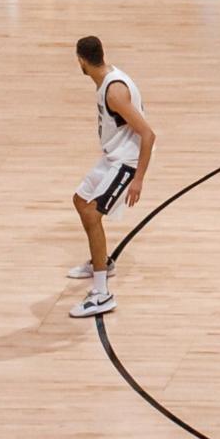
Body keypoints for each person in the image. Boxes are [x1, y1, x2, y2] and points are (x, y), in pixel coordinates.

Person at [62, 35, 159, 320]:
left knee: (92, 215)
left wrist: (138, 179)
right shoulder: (108, 78)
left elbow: (148, 134)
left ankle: (101, 294)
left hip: (127, 162)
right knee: (80, 200)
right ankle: (102, 261)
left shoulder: (114, 92)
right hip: (113, 157)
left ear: (81, 60)